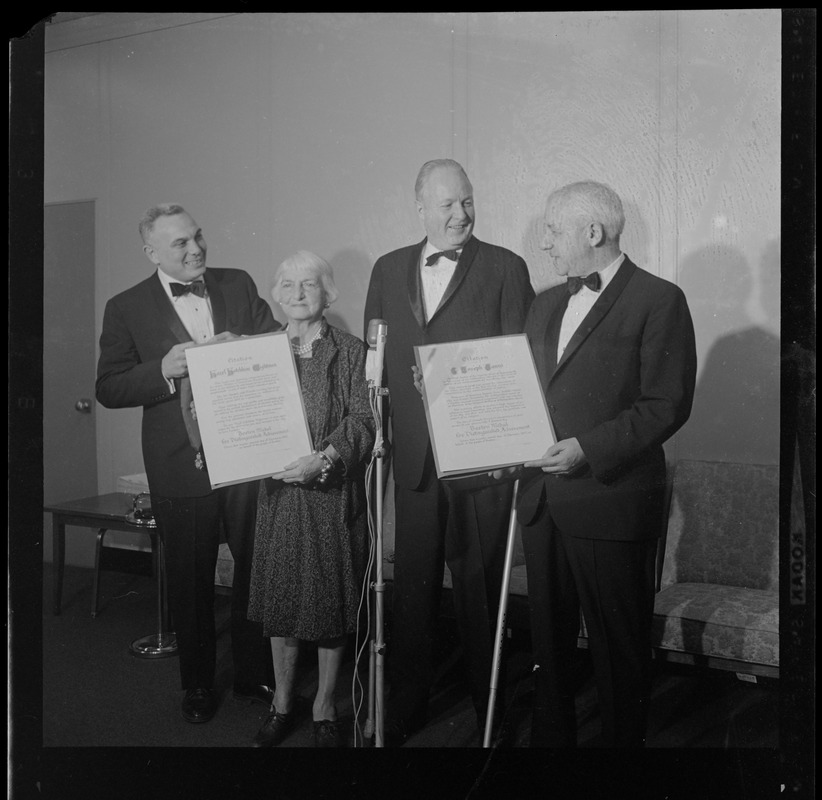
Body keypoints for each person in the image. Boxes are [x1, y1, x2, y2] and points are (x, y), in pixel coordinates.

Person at [516, 181, 697, 747]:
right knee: (547, 649)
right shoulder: (545, 302)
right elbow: (524, 393)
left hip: (610, 500)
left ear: (592, 233)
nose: (544, 243)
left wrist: (586, 450)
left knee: (619, 655)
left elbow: (665, 404)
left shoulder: (659, 299)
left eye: (552, 229)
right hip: (543, 503)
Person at [363, 159, 534, 745]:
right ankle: (407, 705)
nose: (460, 214)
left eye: (467, 201)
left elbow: (522, 364)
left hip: (481, 462)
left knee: (481, 590)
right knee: (411, 592)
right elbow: (374, 359)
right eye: (446, 205)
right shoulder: (387, 269)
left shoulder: (507, 268)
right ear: (420, 209)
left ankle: (489, 708)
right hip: (412, 461)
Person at [96, 204, 278, 724]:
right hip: (181, 463)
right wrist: (163, 369)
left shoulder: (237, 284)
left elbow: (273, 347)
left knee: (253, 568)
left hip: (247, 454)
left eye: (198, 237)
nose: (196, 248)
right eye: (181, 244)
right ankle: (197, 685)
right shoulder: (125, 305)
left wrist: (246, 349)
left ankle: (253, 674)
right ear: (152, 252)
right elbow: (108, 386)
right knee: (191, 579)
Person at [248, 251, 375, 749]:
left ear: (327, 293)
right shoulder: (259, 352)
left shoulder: (350, 350)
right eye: (288, 284)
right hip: (279, 496)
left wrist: (323, 459)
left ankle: (324, 705)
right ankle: (281, 702)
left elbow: (363, 422)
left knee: (328, 604)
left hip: (328, 494)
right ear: (277, 293)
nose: (297, 293)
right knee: (282, 601)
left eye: (309, 284)